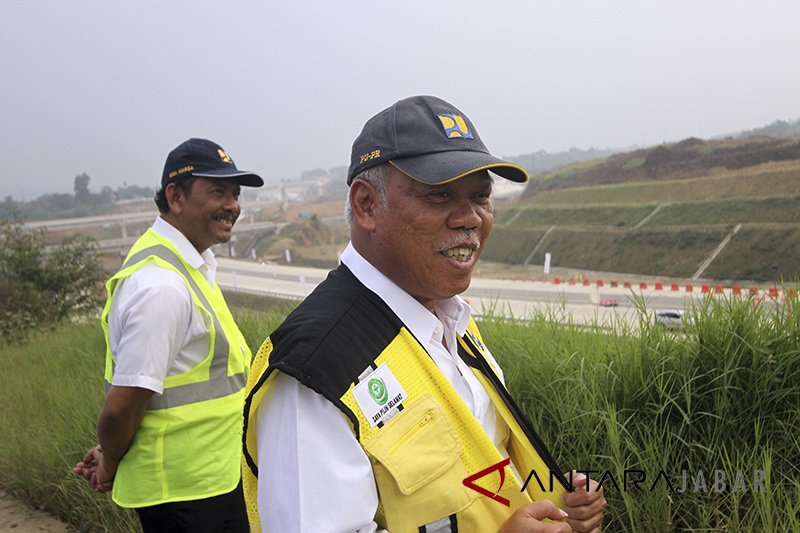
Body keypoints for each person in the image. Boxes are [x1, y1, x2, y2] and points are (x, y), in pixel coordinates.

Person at [241, 96, 607, 532]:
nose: (470, 218)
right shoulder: (316, 370)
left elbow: (478, 470)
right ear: (367, 205)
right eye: (439, 195)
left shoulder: (449, 321)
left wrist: (551, 501)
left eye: (481, 197)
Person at [73, 138, 263, 532]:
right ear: (175, 197)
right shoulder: (162, 287)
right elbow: (120, 407)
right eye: (217, 192)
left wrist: (108, 452)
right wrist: (109, 460)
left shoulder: (187, 266)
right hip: (185, 494)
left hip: (211, 480)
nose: (233, 205)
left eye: (235, 193)